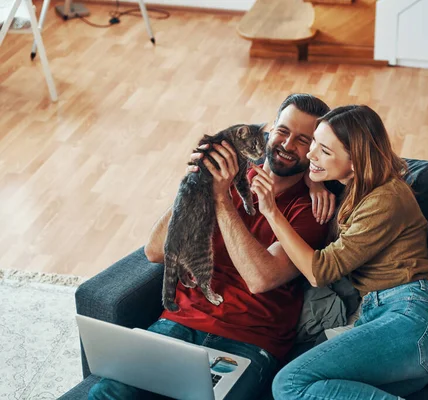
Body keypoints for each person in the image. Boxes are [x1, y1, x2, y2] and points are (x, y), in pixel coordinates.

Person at [88, 94, 335, 400]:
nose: (286, 145)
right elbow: (154, 251)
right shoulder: (226, 175)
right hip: (178, 325)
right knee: (106, 393)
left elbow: (261, 279)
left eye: (302, 139)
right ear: (270, 130)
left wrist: (221, 200)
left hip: (248, 342)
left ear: (314, 149)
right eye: (283, 131)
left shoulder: (311, 208)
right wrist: (196, 187)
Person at [250, 105, 428, 400]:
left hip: (409, 320)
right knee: (314, 390)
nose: (310, 154)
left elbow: (319, 271)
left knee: (289, 384)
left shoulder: (386, 199)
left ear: (356, 161)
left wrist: (271, 212)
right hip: (382, 321)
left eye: (324, 151)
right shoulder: (355, 185)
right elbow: (299, 161)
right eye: (314, 142)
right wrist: (312, 181)